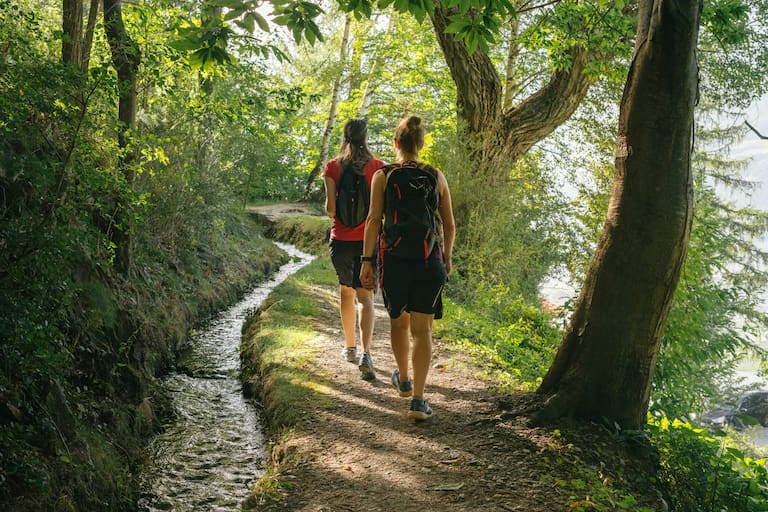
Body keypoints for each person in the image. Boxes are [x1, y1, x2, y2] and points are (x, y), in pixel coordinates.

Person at [359, 116, 455, 420]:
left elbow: (374, 220)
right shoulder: (436, 176)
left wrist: (366, 260)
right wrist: (447, 256)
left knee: (398, 322)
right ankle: (418, 400)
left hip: (395, 260)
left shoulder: (383, 175)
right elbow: (449, 224)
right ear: (422, 144)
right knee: (422, 330)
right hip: (429, 260)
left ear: (395, 144)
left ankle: (402, 378)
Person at [323, 118, 384, 381]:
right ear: (366, 137)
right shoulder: (378, 168)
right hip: (369, 242)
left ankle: (350, 347)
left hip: (341, 241)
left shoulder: (333, 167)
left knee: (346, 293)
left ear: (344, 137)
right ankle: (367, 353)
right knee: (366, 297)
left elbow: (330, 209)